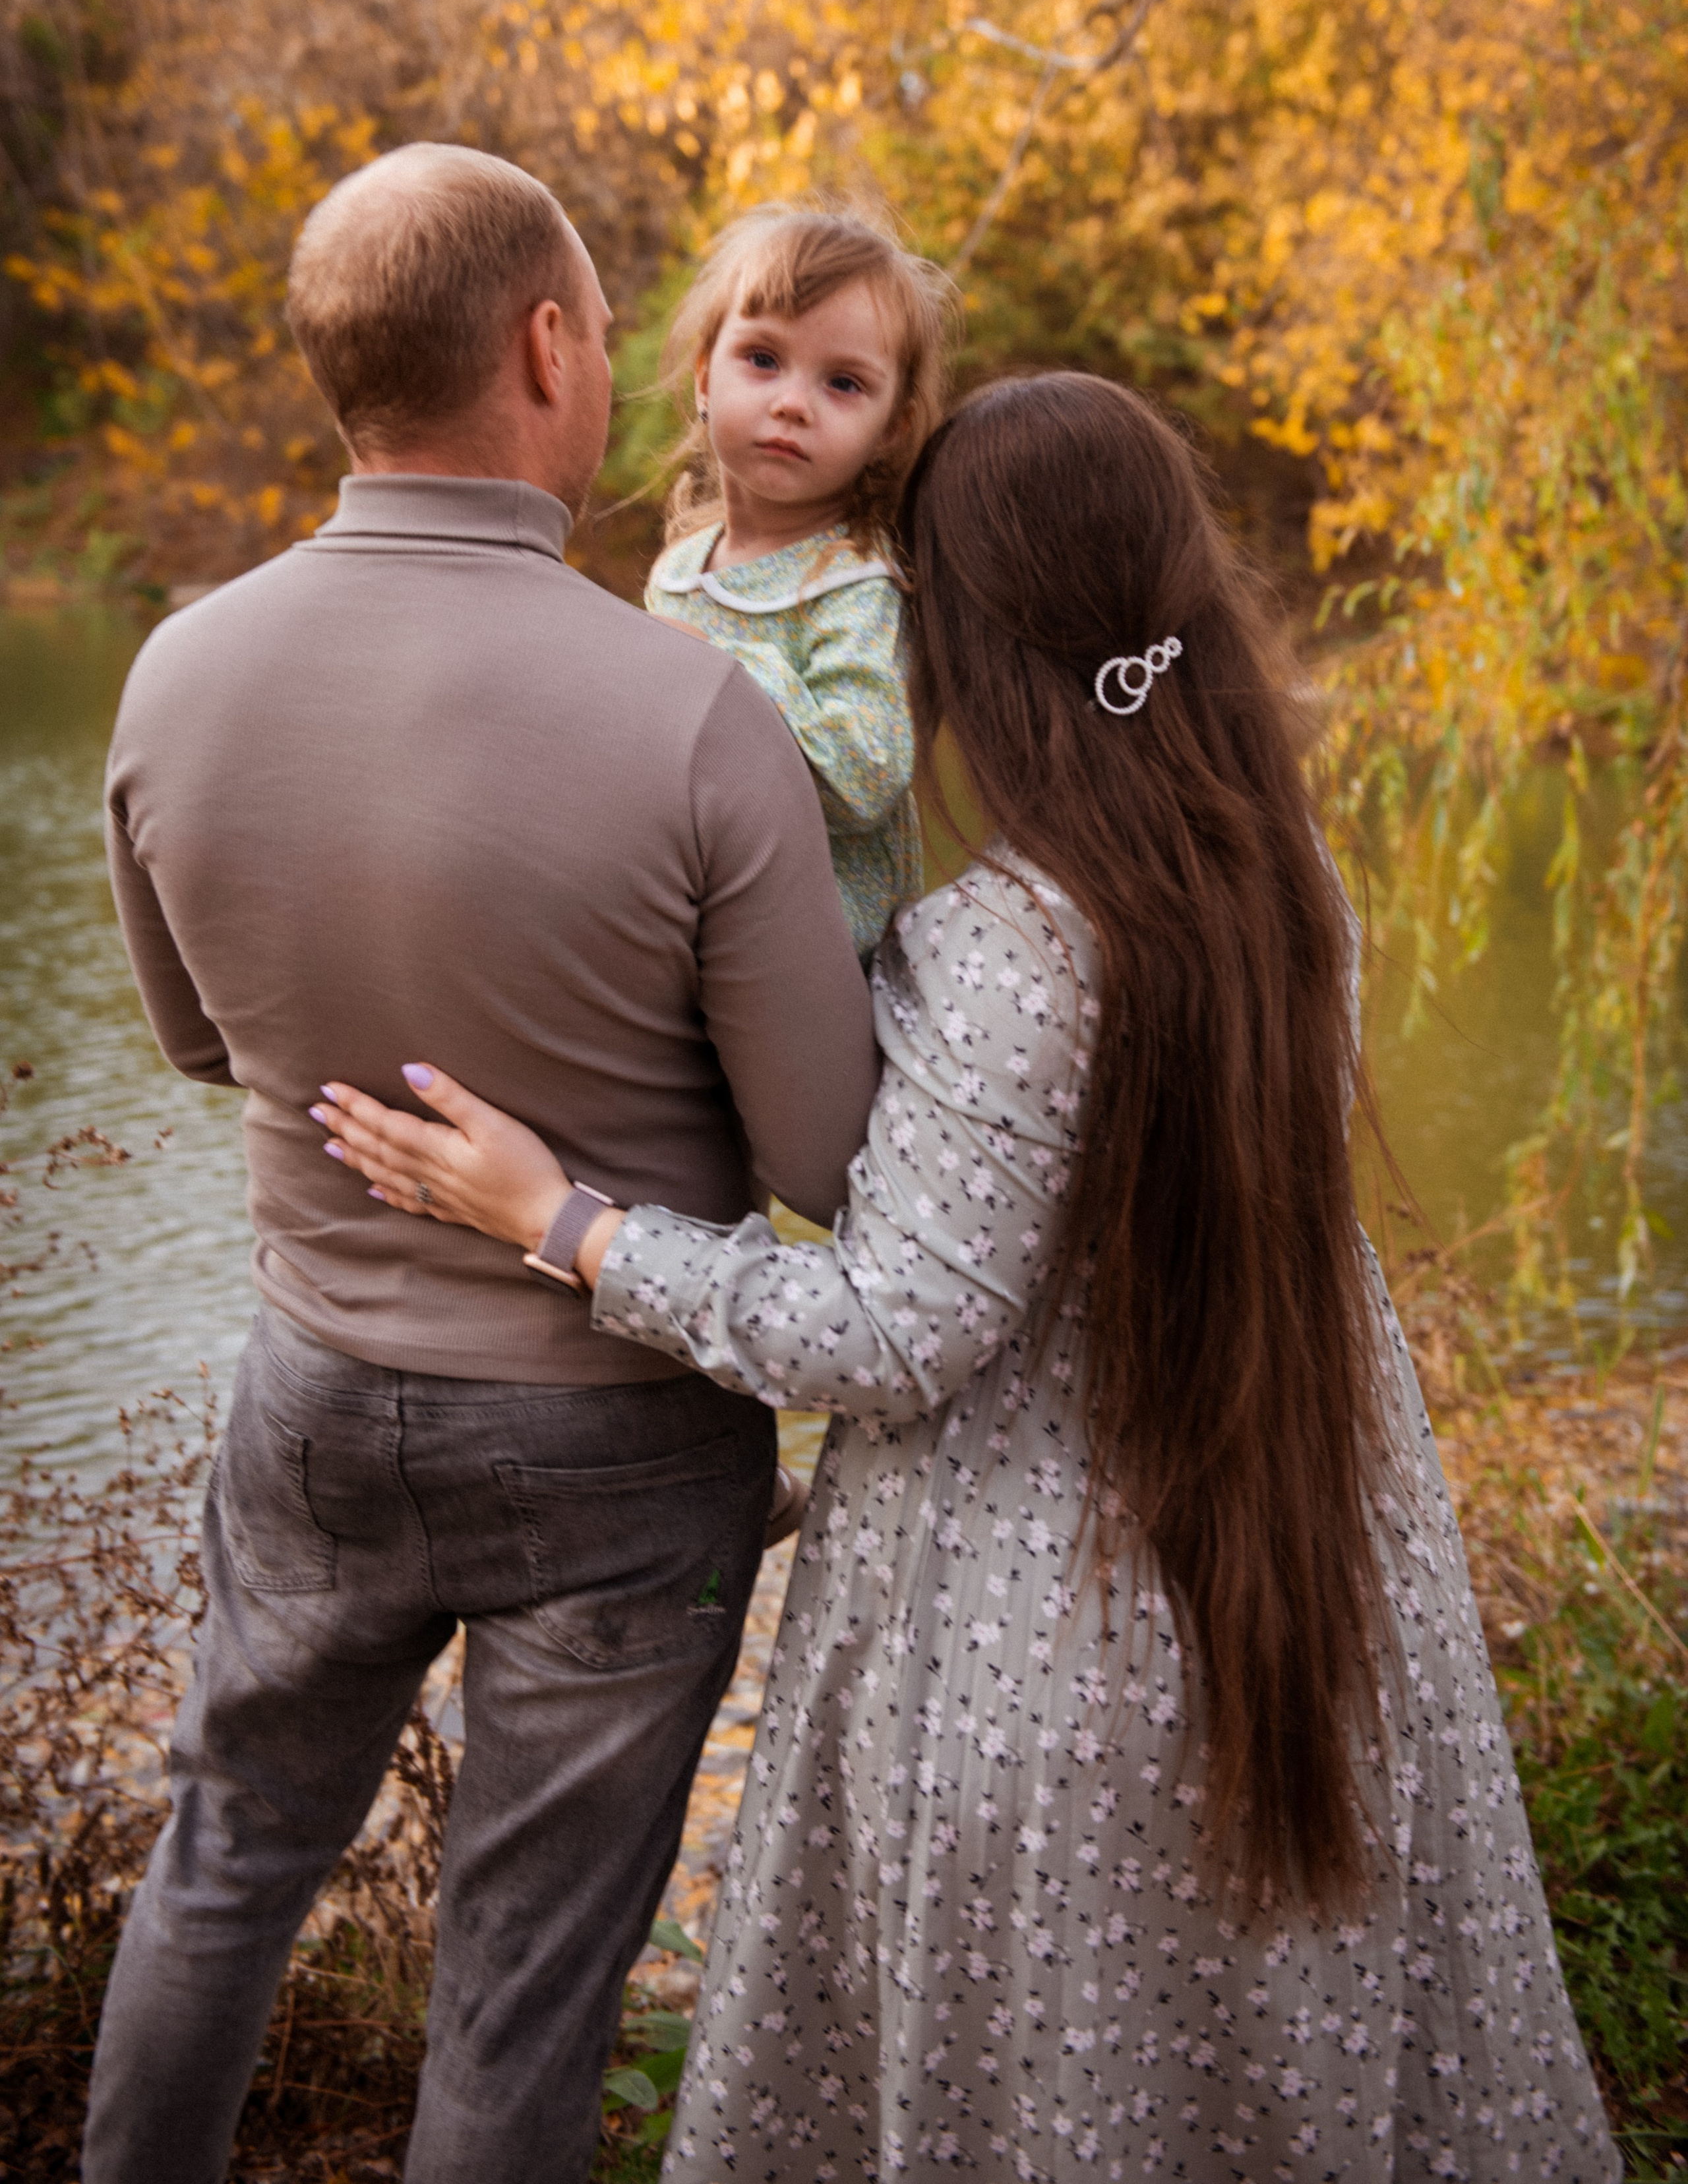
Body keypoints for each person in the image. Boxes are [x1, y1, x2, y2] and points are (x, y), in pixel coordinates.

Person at [316, 372, 1619, 2180]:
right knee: (1273, 2051)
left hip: (1046, 1635)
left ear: (964, 641)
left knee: (1057, 2084)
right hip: (1305, 1562)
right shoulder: (1290, 880)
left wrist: (567, 1220)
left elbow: (888, 1331)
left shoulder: (1013, 948)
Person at [85, 142, 880, 2184]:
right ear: (544, 346)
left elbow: (196, 1041)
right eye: (609, 331)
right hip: (615, 1455)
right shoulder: (700, 714)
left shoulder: (174, 669)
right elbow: (821, 1153)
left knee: (221, 1860)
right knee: (519, 1985)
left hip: (316, 1400)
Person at [646, 206, 957, 959]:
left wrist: (718, 664)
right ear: (703, 376)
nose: (791, 402)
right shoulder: (680, 573)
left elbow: (864, 776)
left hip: (814, 966)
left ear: (892, 427)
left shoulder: (855, 584)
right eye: (761, 359)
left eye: (843, 383)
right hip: (686, 921)